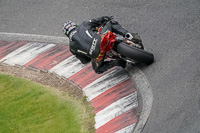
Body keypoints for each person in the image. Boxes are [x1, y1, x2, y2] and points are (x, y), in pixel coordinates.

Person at [62, 16, 142, 74]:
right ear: (75, 25)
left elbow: (85, 61)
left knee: (97, 70)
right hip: (100, 39)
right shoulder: (83, 25)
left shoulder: (71, 47)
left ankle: (117, 62)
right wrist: (106, 18)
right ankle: (127, 35)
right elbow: (99, 20)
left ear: (67, 34)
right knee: (110, 23)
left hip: (95, 54)